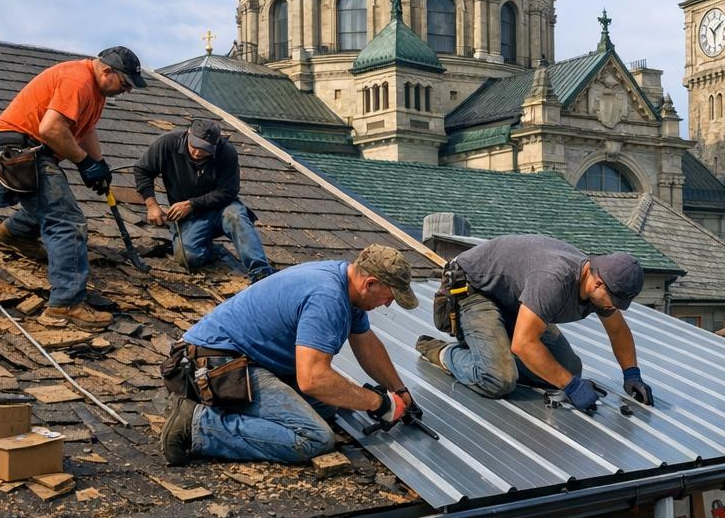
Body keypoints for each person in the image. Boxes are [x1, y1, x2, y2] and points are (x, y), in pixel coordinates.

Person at [160, 245, 419, 466]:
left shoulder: (346, 283)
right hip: (215, 364)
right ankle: (198, 424)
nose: (388, 304)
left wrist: (398, 390)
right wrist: (378, 403)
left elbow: (366, 344)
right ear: (370, 284)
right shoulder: (327, 298)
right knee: (315, 438)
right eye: (390, 297)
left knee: (331, 403)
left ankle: (226, 409)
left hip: (243, 360)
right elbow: (313, 379)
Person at [0, 46, 146, 328]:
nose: (127, 91)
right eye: (125, 84)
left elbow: (84, 130)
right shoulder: (78, 80)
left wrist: (100, 164)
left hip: (29, 150)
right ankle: (66, 304)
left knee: (52, 203)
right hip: (20, 151)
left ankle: (14, 233)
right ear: (107, 71)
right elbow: (51, 129)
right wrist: (85, 164)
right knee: (67, 221)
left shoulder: (95, 91)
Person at [413, 234, 652, 413]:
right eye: (614, 301)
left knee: (569, 369)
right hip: (471, 290)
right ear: (598, 283)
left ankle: (490, 347)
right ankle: (443, 352)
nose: (613, 308)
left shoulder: (599, 285)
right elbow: (524, 344)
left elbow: (618, 331)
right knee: (499, 378)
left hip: (513, 300)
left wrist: (632, 375)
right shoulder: (554, 280)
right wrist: (571, 387)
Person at [133, 117, 274, 283]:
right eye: (195, 146)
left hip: (221, 208)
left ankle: (261, 272)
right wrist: (152, 205)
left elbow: (228, 191)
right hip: (191, 217)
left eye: (205, 149)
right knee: (188, 258)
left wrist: (192, 204)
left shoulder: (226, 152)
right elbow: (142, 170)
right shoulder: (167, 143)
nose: (198, 153)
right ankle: (211, 249)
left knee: (237, 216)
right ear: (188, 133)